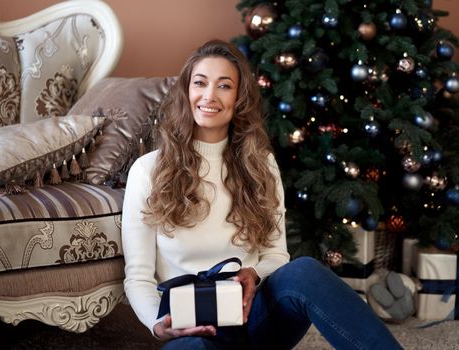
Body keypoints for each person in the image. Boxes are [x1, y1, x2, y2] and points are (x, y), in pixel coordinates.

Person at [122, 39, 402, 350]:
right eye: (200, 83)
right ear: (186, 92)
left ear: (239, 98)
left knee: (305, 271)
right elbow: (138, 277)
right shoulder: (148, 170)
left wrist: (253, 273)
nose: (209, 95)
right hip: (193, 329)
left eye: (224, 86)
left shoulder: (260, 165)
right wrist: (159, 326)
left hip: (254, 318)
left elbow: (276, 256)